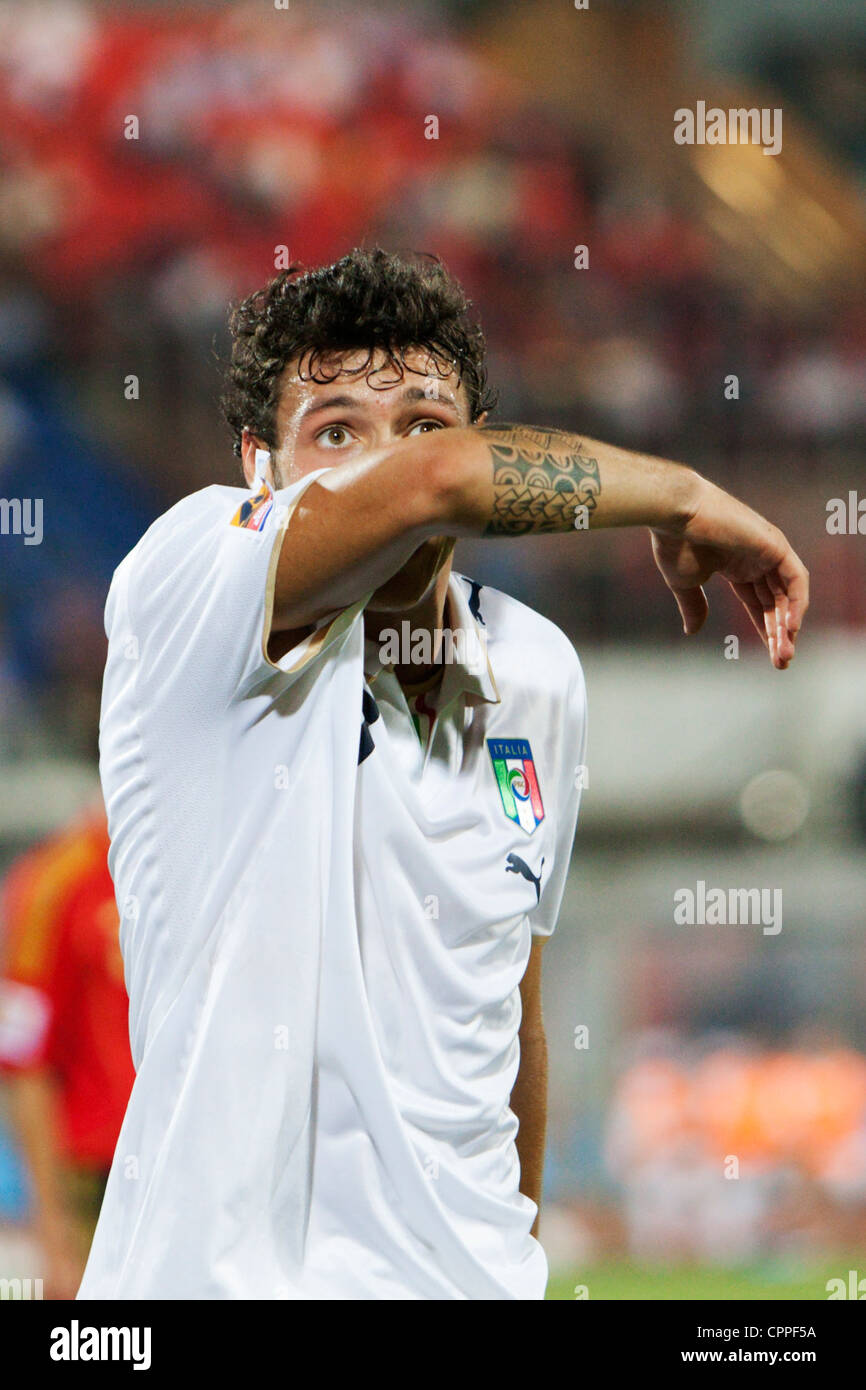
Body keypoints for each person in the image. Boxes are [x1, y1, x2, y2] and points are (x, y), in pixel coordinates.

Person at [78, 248, 808, 1300]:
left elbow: (512, 1012)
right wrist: (680, 497)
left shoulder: (537, 673)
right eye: (335, 430)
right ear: (260, 468)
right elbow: (437, 486)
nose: (386, 461)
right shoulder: (196, 578)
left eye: (423, 420)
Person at [0, 806, 135, 1298]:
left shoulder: (193, 863)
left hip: (195, 1163)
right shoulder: (54, 882)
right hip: (94, 1185)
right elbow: (24, 1063)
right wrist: (54, 1237)